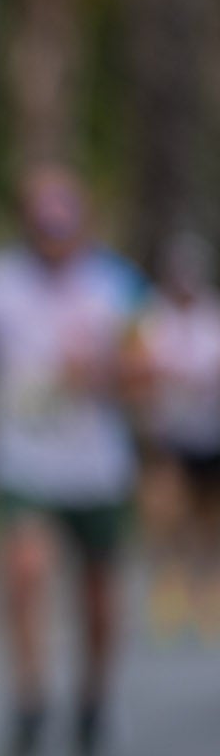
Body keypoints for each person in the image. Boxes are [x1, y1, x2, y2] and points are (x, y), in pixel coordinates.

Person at [0, 167, 143, 756]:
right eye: (42, 228)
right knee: (24, 572)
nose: (52, 239)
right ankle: (30, 700)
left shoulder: (117, 284)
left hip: (96, 464)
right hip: (23, 459)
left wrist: (105, 373)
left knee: (97, 595)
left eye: (63, 229)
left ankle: (92, 699)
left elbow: (150, 368)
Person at [132, 230, 220, 642]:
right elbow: (140, 369)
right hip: (169, 433)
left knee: (208, 519)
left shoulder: (212, 317)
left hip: (209, 432)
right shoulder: (152, 317)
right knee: (167, 515)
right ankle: (169, 591)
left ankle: (209, 592)